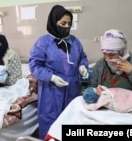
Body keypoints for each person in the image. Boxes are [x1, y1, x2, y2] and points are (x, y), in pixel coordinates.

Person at [28, 5, 89, 139]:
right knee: (50, 121)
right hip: (51, 91)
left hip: (73, 89)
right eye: (63, 23)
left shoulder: (74, 41)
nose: (66, 26)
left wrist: (83, 66)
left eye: (69, 24)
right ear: (54, 22)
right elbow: (34, 65)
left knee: (71, 120)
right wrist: (51, 77)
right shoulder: (43, 42)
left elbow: (82, 57)